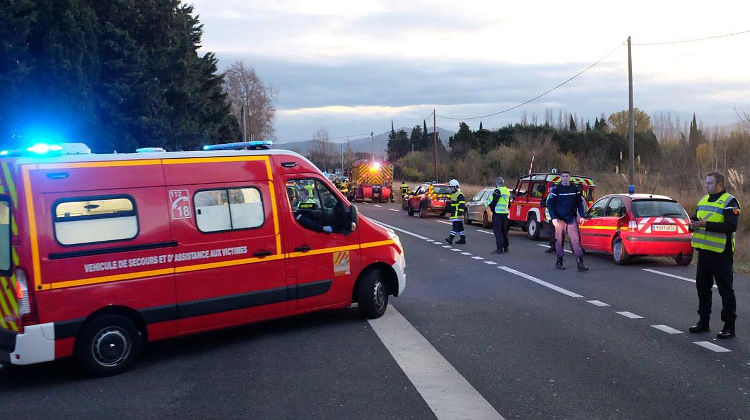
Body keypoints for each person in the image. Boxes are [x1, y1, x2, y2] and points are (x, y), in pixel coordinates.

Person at [688, 171, 741, 339]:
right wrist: (693, 224)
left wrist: (705, 224)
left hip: (721, 253)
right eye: (706, 182)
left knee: (725, 290)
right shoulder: (702, 201)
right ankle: (703, 322)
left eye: (710, 183)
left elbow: (730, 226)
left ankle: (729, 327)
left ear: (720, 185)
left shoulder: (730, 202)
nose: (706, 185)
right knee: (702, 288)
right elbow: (696, 220)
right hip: (704, 253)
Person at [546, 170, 588, 271]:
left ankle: (580, 263)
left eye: (567, 176)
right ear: (561, 178)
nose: (565, 178)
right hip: (559, 218)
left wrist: (582, 216)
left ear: (570, 177)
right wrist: (554, 218)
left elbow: (579, 204)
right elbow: (550, 205)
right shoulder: (556, 190)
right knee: (559, 241)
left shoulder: (575, 189)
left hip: (571, 217)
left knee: (575, 240)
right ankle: (559, 261)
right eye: (563, 176)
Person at [486, 177, 511, 254]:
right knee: (503, 230)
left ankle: (499, 249)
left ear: (496, 183)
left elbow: (494, 202)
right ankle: (506, 247)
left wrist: (492, 209)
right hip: (504, 213)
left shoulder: (497, 190)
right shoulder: (507, 191)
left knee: (497, 231)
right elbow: (509, 203)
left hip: (497, 214)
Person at [445, 179, 466, 244]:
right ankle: (463, 239)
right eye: (450, 187)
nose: (450, 189)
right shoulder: (453, 194)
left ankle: (450, 238)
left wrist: (460, 213)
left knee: (455, 226)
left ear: (455, 187)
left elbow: (462, 205)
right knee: (460, 227)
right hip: (455, 213)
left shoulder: (460, 195)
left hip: (457, 214)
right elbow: (453, 204)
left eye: (451, 187)